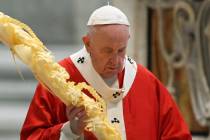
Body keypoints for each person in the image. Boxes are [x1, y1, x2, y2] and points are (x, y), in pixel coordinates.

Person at [20, 5, 192, 140]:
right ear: (88, 44)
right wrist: (70, 130)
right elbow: (32, 136)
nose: (116, 61)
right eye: (107, 51)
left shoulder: (145, 81)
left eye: (121, 50)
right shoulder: (59, 79)